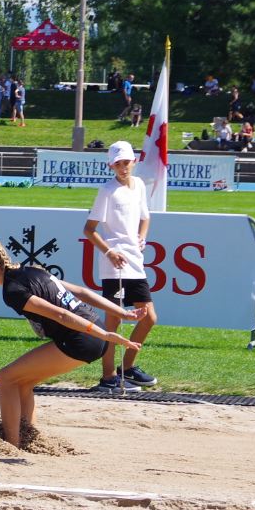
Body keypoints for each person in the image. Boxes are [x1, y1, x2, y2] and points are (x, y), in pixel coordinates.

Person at [0, 238, 138, 447]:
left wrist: (105, 334)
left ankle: (11, 446)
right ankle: (29, 440)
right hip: (92, 332)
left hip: (84, 338)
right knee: (23, 382)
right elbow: (81, 292)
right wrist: (122, 313)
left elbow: (61, 315)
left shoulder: (12, 291)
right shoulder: (32, 270)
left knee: (6, 378)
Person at [84, 140, 159, 391]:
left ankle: (127, 368)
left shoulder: (139, 186)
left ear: (134, 162)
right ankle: (108, 377)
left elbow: (145, 217)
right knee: (113, 321)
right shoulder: (107, 191)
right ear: (111, 166)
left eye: (126, 162)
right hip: (114, 265)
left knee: (148, 317)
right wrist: (109, 252)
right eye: (118, 163)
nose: (123, 167)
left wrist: (142, 237)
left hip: (135, 262)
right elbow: (89, 229)